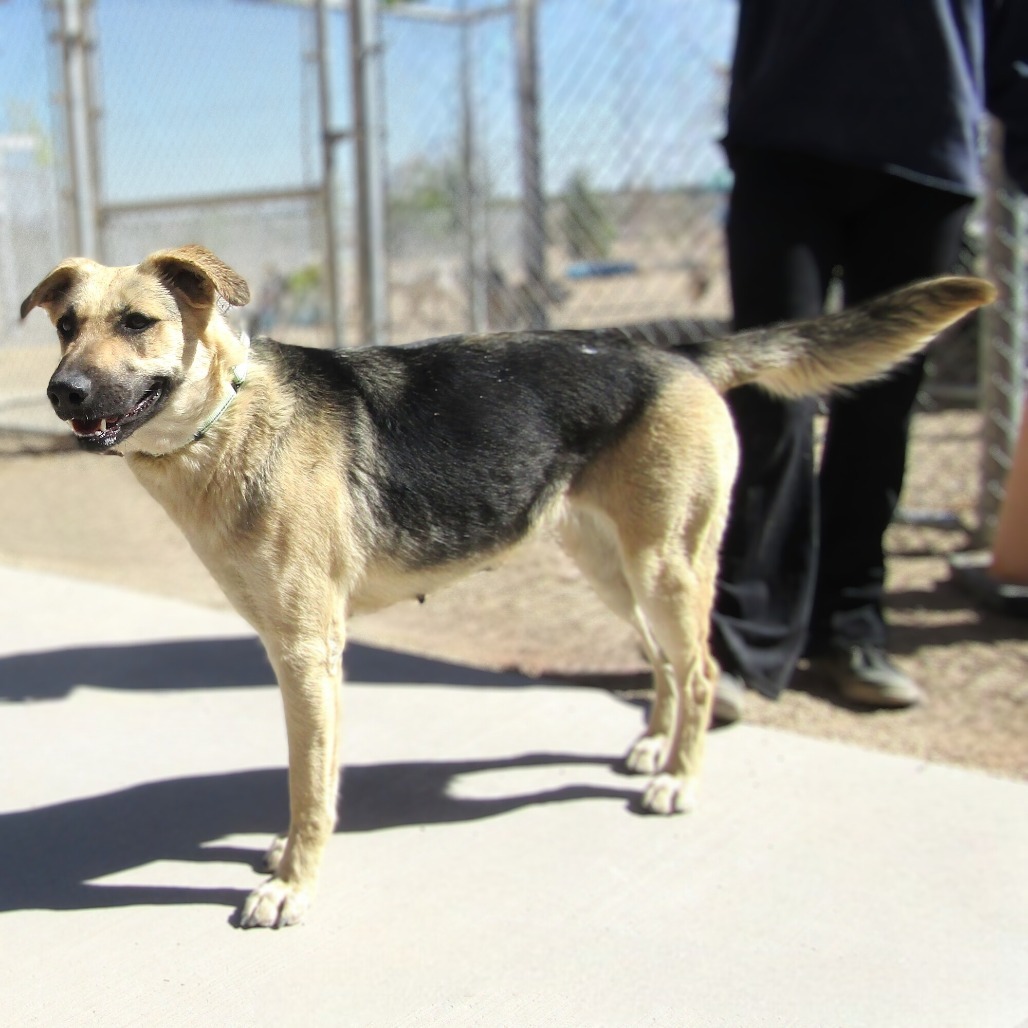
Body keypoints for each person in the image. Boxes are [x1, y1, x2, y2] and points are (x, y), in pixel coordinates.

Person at [712, 0, 1028, 723]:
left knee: (881, 408)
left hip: (927, 149)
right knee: (767, 390)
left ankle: (848, 628)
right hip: (786, 138)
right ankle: (738, 638)